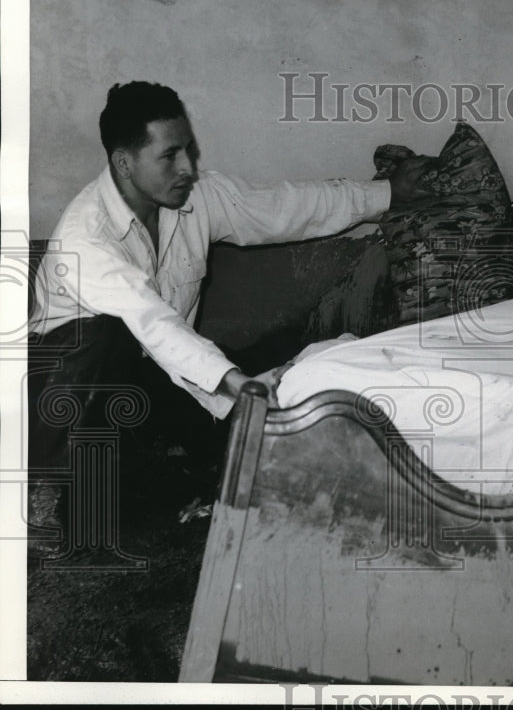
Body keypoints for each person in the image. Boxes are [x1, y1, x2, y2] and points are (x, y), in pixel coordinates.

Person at [27, 80, 426, 557]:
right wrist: (237, 384)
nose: (187, 168)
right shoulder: (84, 237)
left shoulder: (194, 197)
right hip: (65, 403)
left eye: (189, 151)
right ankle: (37, 493)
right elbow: (153, 323)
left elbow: (283, 208)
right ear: (124, 163)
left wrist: (387, 193)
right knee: (101, 333)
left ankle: (159, 480)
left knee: (273, 435)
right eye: (170, 155)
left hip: (154, 385)